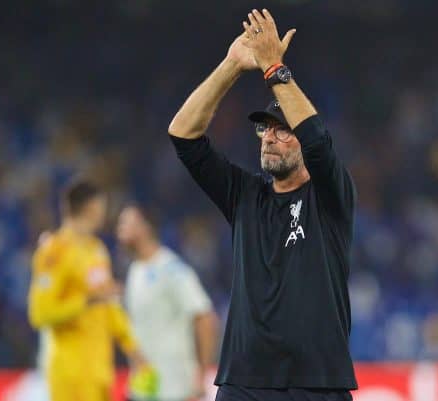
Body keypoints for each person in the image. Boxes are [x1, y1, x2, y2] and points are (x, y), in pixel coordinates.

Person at [168, 9, 357, 401]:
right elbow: (184, 136)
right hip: (243, 383)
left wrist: (274, 67)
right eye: (264, 128)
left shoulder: (329, 196)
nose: (269, 137)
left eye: (283, 129)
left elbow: (320, 143)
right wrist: (232, 66)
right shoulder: (245, 195)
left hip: (316, 384)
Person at [28, 179, 151, 401]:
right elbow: (40, 313)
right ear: (92, 207)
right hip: (70, 375)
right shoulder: (54, 251)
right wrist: (86, 301)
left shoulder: (96, 249)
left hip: (100, 372)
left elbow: (107, 303)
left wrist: (133, 349)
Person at [117, 204, 219, 401]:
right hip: (144, 388)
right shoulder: (135, 270)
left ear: (145, 227)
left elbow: (206, 318)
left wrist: (202, 372)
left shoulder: (172, 269)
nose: (119, 229)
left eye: (126, 223)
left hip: (175, 387)